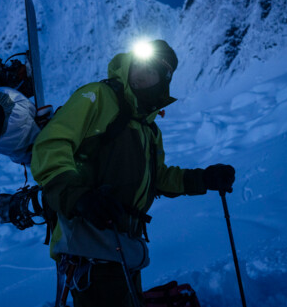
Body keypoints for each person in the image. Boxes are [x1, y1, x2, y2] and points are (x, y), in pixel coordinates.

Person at [30, 39, 235, 307]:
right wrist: (79, 197)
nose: (140, 73)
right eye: (138, 65)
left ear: (164, 79)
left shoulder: (149, 129)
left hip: (125, 246)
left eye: (150, 70)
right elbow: (51, 144)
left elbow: (159, 178)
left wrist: (203, 179)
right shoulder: (97, 97)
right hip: (89, 245)